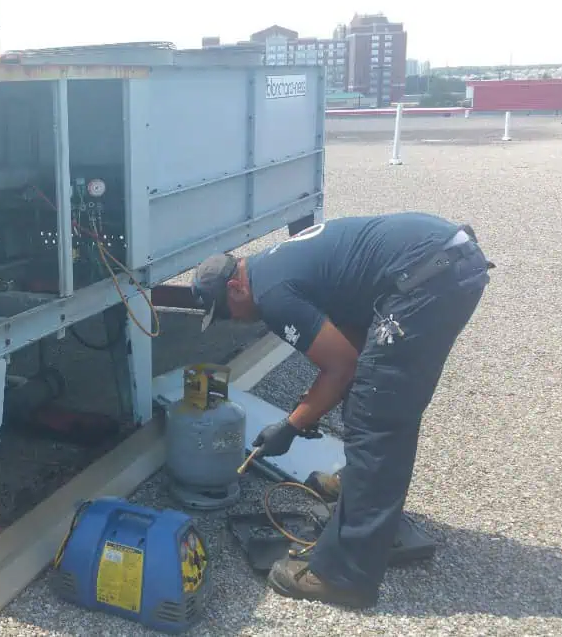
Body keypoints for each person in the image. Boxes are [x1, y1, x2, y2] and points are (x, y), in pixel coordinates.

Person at [192, 212, 493, 608]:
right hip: (440, 261)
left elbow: (342, 366)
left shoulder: (272, 295)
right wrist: (311, 406)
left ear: (235, 287)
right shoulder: (272, 264)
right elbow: (351, 347)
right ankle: (360, 489)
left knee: (378, 412)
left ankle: (344, 575)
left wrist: (291, 425)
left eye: (227, 313)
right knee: (374, 382)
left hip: (429, 277)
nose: (234, 322)